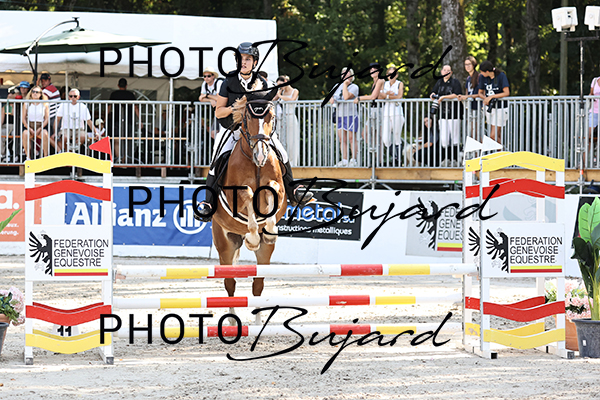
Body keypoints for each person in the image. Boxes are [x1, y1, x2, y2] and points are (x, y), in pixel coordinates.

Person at [194, 42, 313, 222]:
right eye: (241, 59)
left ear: (255, 62)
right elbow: (219, 112)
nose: (243, 62)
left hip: (257, 130)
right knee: (216, 158)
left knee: (281, 152)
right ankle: (208, 203)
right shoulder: (229, 81)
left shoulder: (263, 83)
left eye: (248, 59)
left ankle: (294, 191)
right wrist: (237, 108)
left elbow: (269, 106)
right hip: (232, 129)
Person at [430, 64, 463, 164]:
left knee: (455, 138)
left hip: (454, 114)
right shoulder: (439, 82)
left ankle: (456, 159)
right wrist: (433, 95)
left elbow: (457, 94)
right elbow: (433, 92)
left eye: (448, 70)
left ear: (451, 72)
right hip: (442, 114)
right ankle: (446, 158)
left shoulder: (455, 82)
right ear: (441, 72)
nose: (446, 72)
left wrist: (444, 97)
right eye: (444, 70)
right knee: (444, 139)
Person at [354, 62, 385, 164]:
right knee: (368, 135)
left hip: (380, 110)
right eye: (371, 70)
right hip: (373, 110)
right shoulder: (374, 82)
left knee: (378, 137)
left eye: (375, 69)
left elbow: (373, 96)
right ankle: (376, 157)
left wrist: (359, 98)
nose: (372, 71)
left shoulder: (380, 80)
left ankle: (379, 161)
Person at [330, 67, 360, 167]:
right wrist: (331, 98)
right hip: (340, 115)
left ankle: (353, 160)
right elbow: (331, 95)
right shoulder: (337, 86)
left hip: (351, 114)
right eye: (343, 73)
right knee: (341, 138)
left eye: (347, 73)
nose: (345, 75)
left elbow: (346, 97)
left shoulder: (354, 87)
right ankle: (344, 160)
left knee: (351, 138)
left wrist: (345, 85)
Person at [54, 89, 99, 153]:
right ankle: (68, 152)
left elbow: (89, 121)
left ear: (78, 97)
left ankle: (73, 150)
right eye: (71, 96)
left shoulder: (83, 106)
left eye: (75, 96)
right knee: (64, 137)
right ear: (68, 97)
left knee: (83, 136)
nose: (73, 98)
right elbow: (57, 119)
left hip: (79, 129)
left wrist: (96, 133)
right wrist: (55, 132)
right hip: (66, 128)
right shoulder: (63, 105)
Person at [478, 60, 510, 144]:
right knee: (497, 135)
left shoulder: (501, 76)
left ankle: (503, 150)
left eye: (482, 72)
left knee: (493, 136)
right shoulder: (482, 77)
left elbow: (506, 92)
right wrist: (486, 98)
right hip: (490, 108)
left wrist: (491, 97)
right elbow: (480, 92)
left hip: (500, 108)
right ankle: (501, 152)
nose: (481, 73)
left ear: (487, 71)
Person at [108, 78, 140, 162]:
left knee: (116, 140)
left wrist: (105, 118)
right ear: (126, 86)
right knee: (128, 140)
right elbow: (136, 107)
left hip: (116, 119)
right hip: (129, 120)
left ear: (118, 85)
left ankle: (119, 159)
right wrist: (140, 120)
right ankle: (126, 159)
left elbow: (109, 107)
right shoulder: (130, 94)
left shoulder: (114, 94)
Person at [380, 66, 405, 163]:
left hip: (397, 112)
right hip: (386, 113)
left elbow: (399, 96)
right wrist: (389, 95)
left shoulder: (399, 83)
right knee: (385, 139)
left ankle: (398, 159)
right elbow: (381, 95)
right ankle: (393, 155)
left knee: (396, 136)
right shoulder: (384, 83)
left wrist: (387, 95)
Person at [274, 75, 300, 166]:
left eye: (281, 84)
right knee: (282, 140)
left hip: (291, 117)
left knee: (291, 141)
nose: (280, 87)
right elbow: (273, 100)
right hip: (282, 118)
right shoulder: (281, 92)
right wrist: (278, 93)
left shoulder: (295, 91)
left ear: (285, 81)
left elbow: (292, 99)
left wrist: (280, 96)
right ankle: (284, 162)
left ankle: (293, 163)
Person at [21, 85, 50, 159]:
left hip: (41, 125)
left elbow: (47, 119)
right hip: (30, 125)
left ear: (40, 94)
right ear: (30, 93)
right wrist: (29, 128)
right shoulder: (27, 103)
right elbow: (23, 119)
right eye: (33, 92)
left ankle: (45, 157)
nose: (35, 93)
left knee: (45, 134)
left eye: (37, 92)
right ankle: (28, 157)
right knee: (25, 133)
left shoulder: (44, 104)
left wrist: (40, 128)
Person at [457, 56, 480, 138]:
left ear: (474, 65)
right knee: (471, 132)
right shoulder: (468, 78)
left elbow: (481, 94)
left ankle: (480, 147)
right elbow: (467, 93)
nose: (467, 66)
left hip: (477, 107)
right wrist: (463, 97)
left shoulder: (479, 77)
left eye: (469, 64)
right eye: (465, 64)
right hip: (469, 107)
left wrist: (467, 97)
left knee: (476, 132)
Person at [198, 66, 224, 138]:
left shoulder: (219, 83)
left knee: (221, 132)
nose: (206, 78)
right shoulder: (205, 84)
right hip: (218, 111)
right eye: (205, 76)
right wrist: (211, 100)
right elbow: (201, 98)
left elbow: (220, 98)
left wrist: (207, 95)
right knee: (213, 133)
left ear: (213, 76)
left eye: (208, 76)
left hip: (225, 109)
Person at [39, 73, 60, 142]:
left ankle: (58, 148)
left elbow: (37, 97)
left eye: (45, 80)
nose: (43, 82)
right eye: (42, 81)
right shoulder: (46, 89)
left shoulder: (50, 89)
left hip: (53, 117)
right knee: (51, 137)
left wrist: (36, 85)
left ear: (49, 80)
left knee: (52, 137)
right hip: (51, 116)